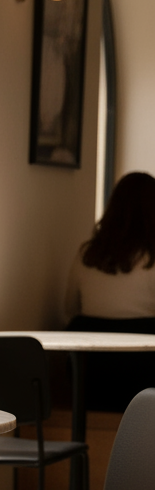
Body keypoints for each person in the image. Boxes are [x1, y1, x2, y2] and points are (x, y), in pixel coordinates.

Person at [64, 171, 155, 410]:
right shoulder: (151, 258)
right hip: (144, 371)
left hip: (91, 372)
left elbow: (70, 308)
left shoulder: (88, 254)